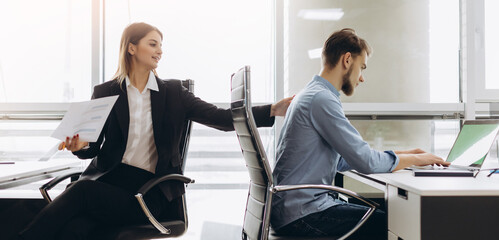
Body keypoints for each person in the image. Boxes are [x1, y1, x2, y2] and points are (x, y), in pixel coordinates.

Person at [18, 22, 292, 240]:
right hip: (110, 185)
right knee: (73, 230)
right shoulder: (106, 92)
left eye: (161, 46)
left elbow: (221, 118)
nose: (159, 51)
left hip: (147, 195)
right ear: (131, 48)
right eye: (153, 44)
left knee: (80, 192)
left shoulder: (174, 93)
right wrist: (81, 147)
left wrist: (270, 110)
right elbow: (93, 146)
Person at [270, 28, 449, 239]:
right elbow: (366, 162)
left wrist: (405, 154)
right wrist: (417, 158)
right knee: (395, 223)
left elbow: (342, 161)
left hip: (291, 211)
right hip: (303, 216)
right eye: (361, 67)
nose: (362, 78)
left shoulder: (310, 94)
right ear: (347, 60)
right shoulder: (321, 100)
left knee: (386, 214)